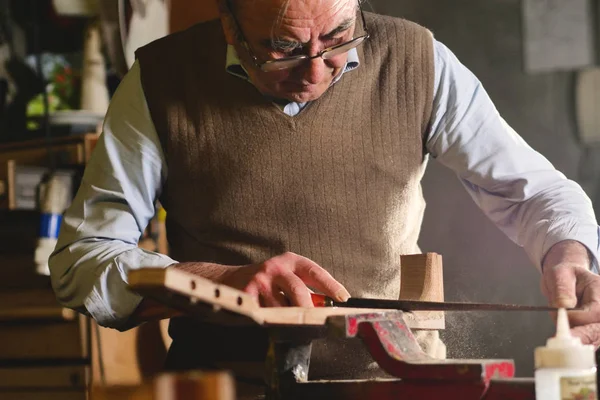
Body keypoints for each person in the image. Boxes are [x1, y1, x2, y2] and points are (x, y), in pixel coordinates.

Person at [50, 0, 600, 385]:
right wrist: (220, 281)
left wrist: (568, 255)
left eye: (338, 38)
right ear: (229, 24)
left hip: (397, 384)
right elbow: (82, 261)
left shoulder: (417, 61)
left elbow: (536, 194)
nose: (316, 69)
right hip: (224, 385)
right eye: (282, 48)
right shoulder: (160, 83)